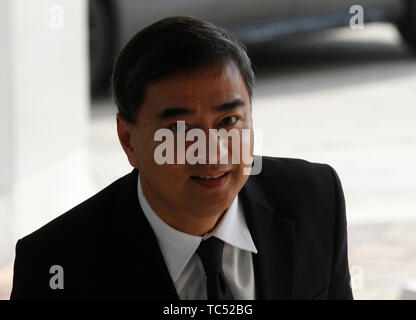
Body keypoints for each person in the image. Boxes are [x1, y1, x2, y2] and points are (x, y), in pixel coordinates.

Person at [10, 16, 353, 300]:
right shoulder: (55, 265)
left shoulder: (316, 200)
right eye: (180, 129)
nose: (212, 150)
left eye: (229, 121)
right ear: (128, 140)